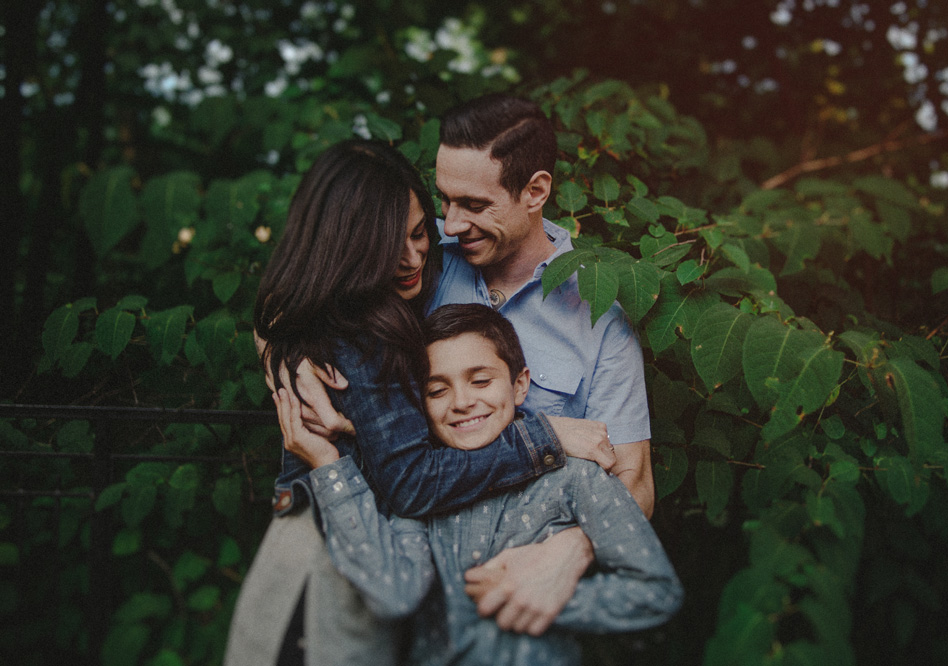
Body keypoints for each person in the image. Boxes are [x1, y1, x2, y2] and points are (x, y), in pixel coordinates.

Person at [223, 139, 613, 666]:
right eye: (387, 248)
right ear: (346, 248)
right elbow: (412, 482)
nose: (411, 259)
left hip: (375, 571)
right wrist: (544, 437)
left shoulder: (382, 304)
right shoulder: (362, 340)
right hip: (328, 583)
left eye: (418, 233)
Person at [291, 93, 654, 634]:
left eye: (475, 205)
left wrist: (571, 551)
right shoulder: (417, 251)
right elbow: (309, 281)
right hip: (386, 571)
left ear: (535, 191)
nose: (452, 223)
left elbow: (637, 480)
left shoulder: (599, 318)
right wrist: (282, 352)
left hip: (505, 594)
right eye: (444, 200)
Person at [274, 303, 681, 666]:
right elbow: (394, 592)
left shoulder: (575, 476)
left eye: (481, 381)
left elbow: (655, 589)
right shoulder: (419, 486)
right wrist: (329, 466)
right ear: (419, 404)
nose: (462, 401)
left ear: (519, 385)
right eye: (437, 389)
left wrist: (547, 597)